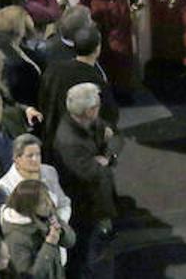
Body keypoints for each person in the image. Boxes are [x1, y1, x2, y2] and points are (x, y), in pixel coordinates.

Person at [52, 83, 120, 278]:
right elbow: (93, 173)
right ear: (89, 110)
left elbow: (113, 136)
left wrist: (106, 157)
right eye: (97, 106)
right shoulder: (69, 140)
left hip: (96, 201)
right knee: (89, 256)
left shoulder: (87, 122)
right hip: (86, 207)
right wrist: (108, 160)